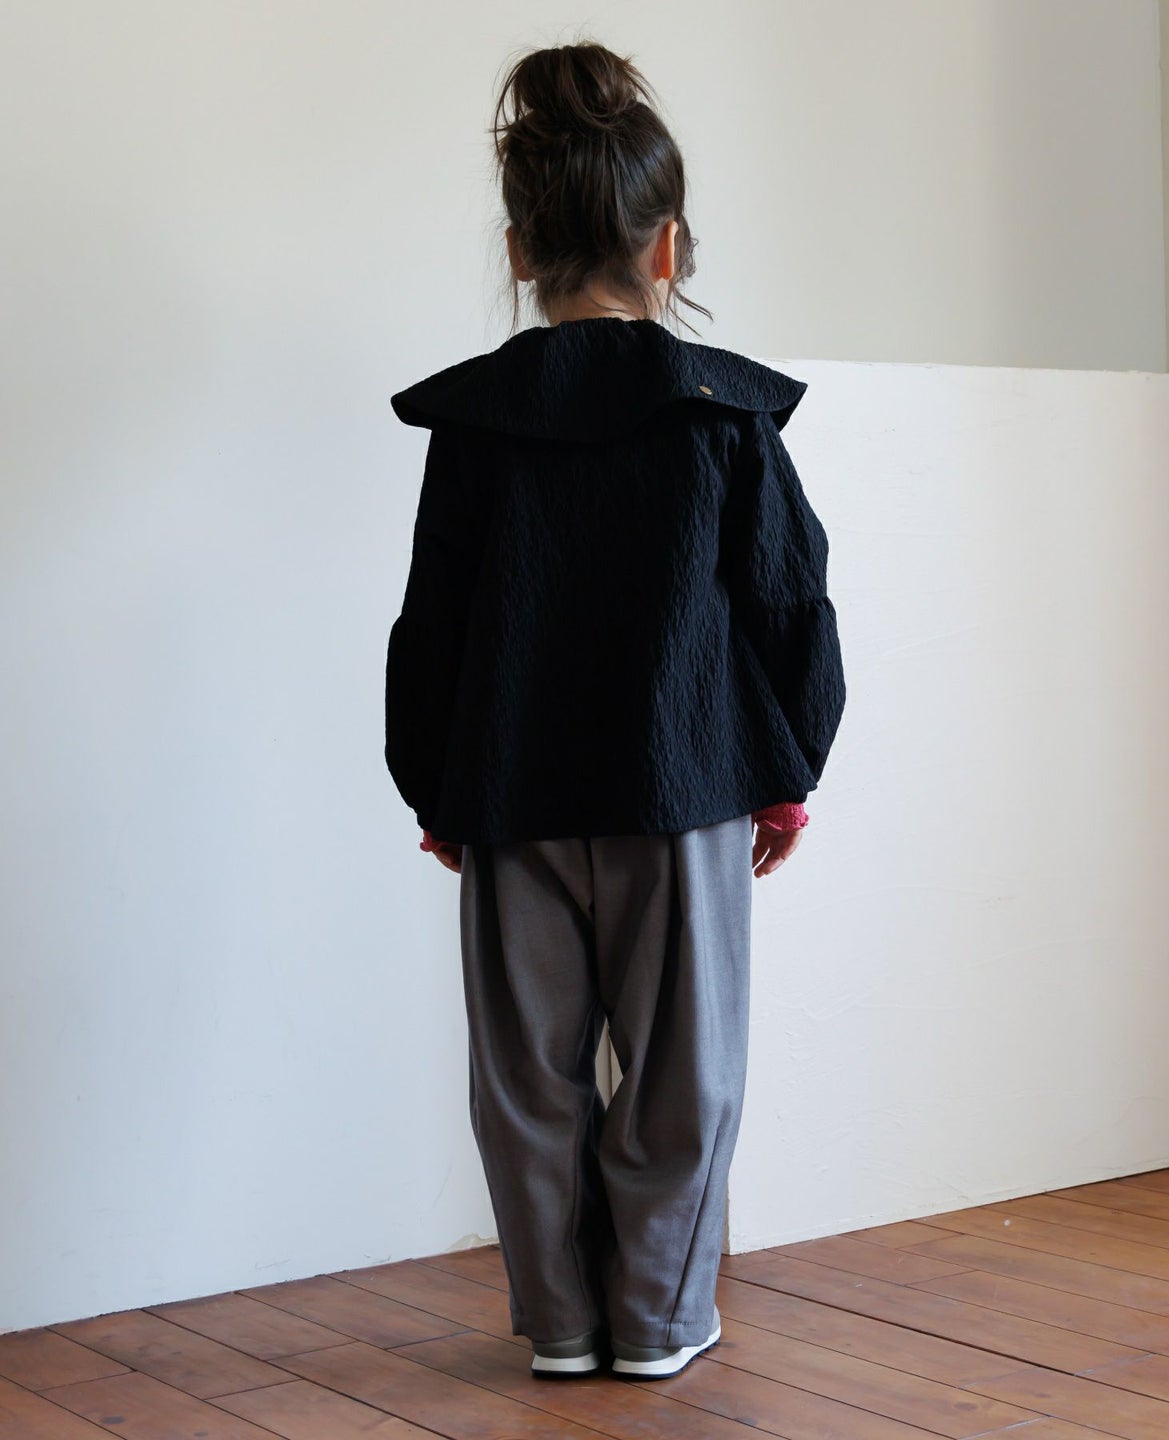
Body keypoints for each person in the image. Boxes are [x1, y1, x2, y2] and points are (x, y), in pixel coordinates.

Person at [383, 40, 846, 1382]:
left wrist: (437, 791)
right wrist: (789, 769)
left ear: (519, 250)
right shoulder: (723, 416)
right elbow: (791, 606)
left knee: (524, 1079)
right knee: (682, 1071)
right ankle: (657, 1318)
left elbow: (433, 621)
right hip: (682, 793)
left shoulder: (476, 425)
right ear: (669, 248)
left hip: (510, 795)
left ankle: (564, 1325)